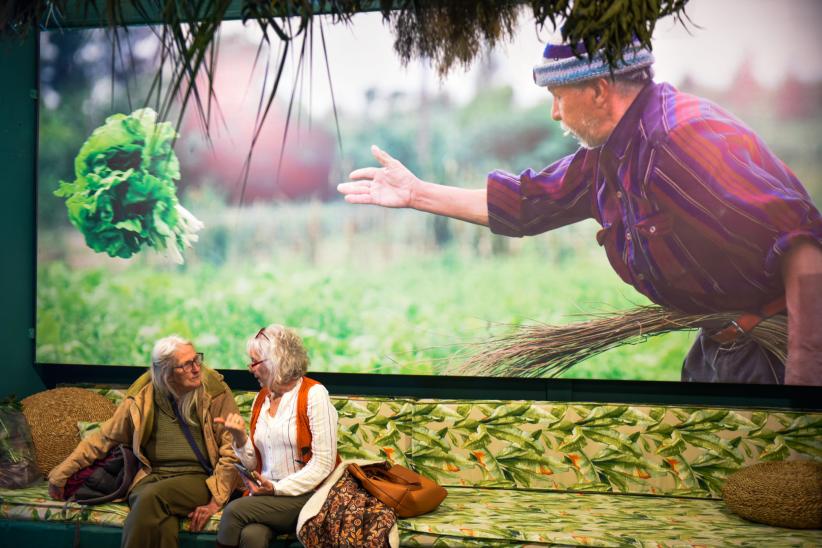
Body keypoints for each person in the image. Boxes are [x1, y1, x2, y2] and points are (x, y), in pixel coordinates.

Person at [337, 40, 822, 386]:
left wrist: (804, 372)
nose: (553, 114)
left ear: (598, 89)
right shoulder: (608, 157)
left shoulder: (681, 139)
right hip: (720, 346)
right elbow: (526, 204)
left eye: (557, 96)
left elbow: (803, 244)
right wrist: (417, 193)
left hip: (777, 353)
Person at [48, 336, 241, 548]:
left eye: (197, 360)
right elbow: (104, 438)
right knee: (161, 524)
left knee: (152, 498)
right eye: (186, 364)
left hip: (198, 479)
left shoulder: (215, 392)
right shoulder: (142, 397)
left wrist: (216, 501)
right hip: (151, 476)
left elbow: (231, 450)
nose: (196, 369)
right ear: (165, 373)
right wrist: (60, 474)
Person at [214, 324, 338, 548]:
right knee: (252, 535)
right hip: (270, 497)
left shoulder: (314, 394)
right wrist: (240, 438)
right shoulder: (261, 399)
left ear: (276, 361)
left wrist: (276, 488)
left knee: (233, 511)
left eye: (254, 361)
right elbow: (254, 464)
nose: (250, 369)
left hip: (308, 495)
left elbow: (323, 465)